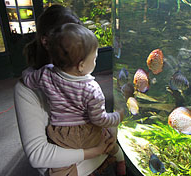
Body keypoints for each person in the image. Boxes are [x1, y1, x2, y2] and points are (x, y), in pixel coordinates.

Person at [14, 5, 123, 176]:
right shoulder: (29, 88)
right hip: (79, 168)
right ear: (46, 40)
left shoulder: (82, 75)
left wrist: (112, 134)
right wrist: (96, 151)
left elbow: (97, 113)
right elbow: (38, 156)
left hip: (99, 154)